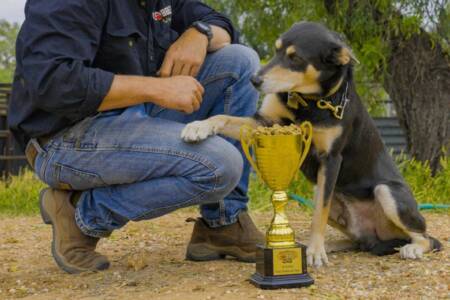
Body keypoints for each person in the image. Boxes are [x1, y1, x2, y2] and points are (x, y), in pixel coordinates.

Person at [9, 0, 264, 274]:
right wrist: (156, 89)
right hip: (64, 138)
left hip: (134, 115)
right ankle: (80, 214)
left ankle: (223, 223)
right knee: (221, 165)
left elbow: (220, 23)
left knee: (241, 60)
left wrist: (200, 33)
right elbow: (53, 82)